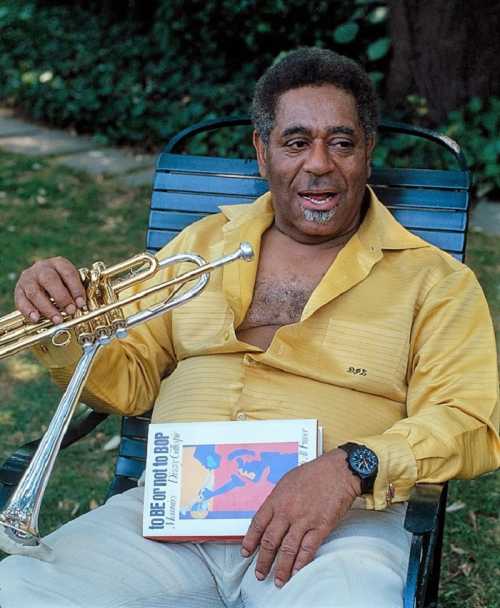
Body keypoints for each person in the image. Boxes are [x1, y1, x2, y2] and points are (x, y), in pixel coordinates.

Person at [1, 48, 499, 608]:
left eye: (341, 142)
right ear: (262, 154)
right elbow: (128, 382)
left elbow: (470, 420)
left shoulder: (434, 279)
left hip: (336, 530)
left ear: (367, 152)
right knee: (19, 591)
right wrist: (66, 327)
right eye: (295, 142)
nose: (319, 164)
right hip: (167, 520)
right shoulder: (200, 244)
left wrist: (352, 468)